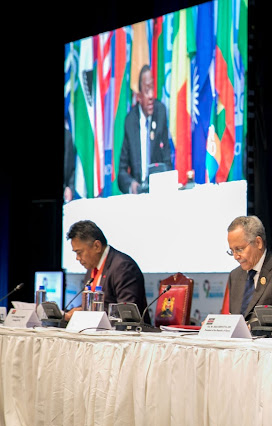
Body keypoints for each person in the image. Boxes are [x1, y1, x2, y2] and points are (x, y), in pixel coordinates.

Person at [65, 220, 149, 321]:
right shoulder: (91, 269)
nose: (77, 258)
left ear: (97, 246)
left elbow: (126, 313)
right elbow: (88, 306)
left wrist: (83, 314)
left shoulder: (123, 267)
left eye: (79, 252)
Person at [226, 215, 272, 322]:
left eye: (239, 249)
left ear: (258, 243)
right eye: (232, 251)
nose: (236, 256)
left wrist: (253, 327)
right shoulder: (235, 275)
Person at [118, 65, 172, 194]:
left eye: (152, 88)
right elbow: (122, 172)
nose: (151, 95)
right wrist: (133, 185)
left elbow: (167, 161)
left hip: (158, 192)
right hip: (138, 195)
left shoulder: (160, 112)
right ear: (139, 96)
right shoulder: (130, 121)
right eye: (147, 90)